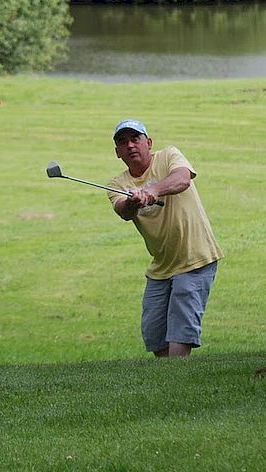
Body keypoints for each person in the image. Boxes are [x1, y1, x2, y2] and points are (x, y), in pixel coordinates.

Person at [107, 119, 223, 358]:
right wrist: (132, 201)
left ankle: (179, 382)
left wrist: (152, 191)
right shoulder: (117, 184)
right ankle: (169, 384)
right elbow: (123, 212)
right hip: (161, 267)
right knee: (154, 334)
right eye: (122, 142)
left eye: (135, 139)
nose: (130, 145)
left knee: (180, 337)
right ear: (117, 152)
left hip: (195, 258)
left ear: (148, 143)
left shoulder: (169, 156)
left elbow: (182, 179)